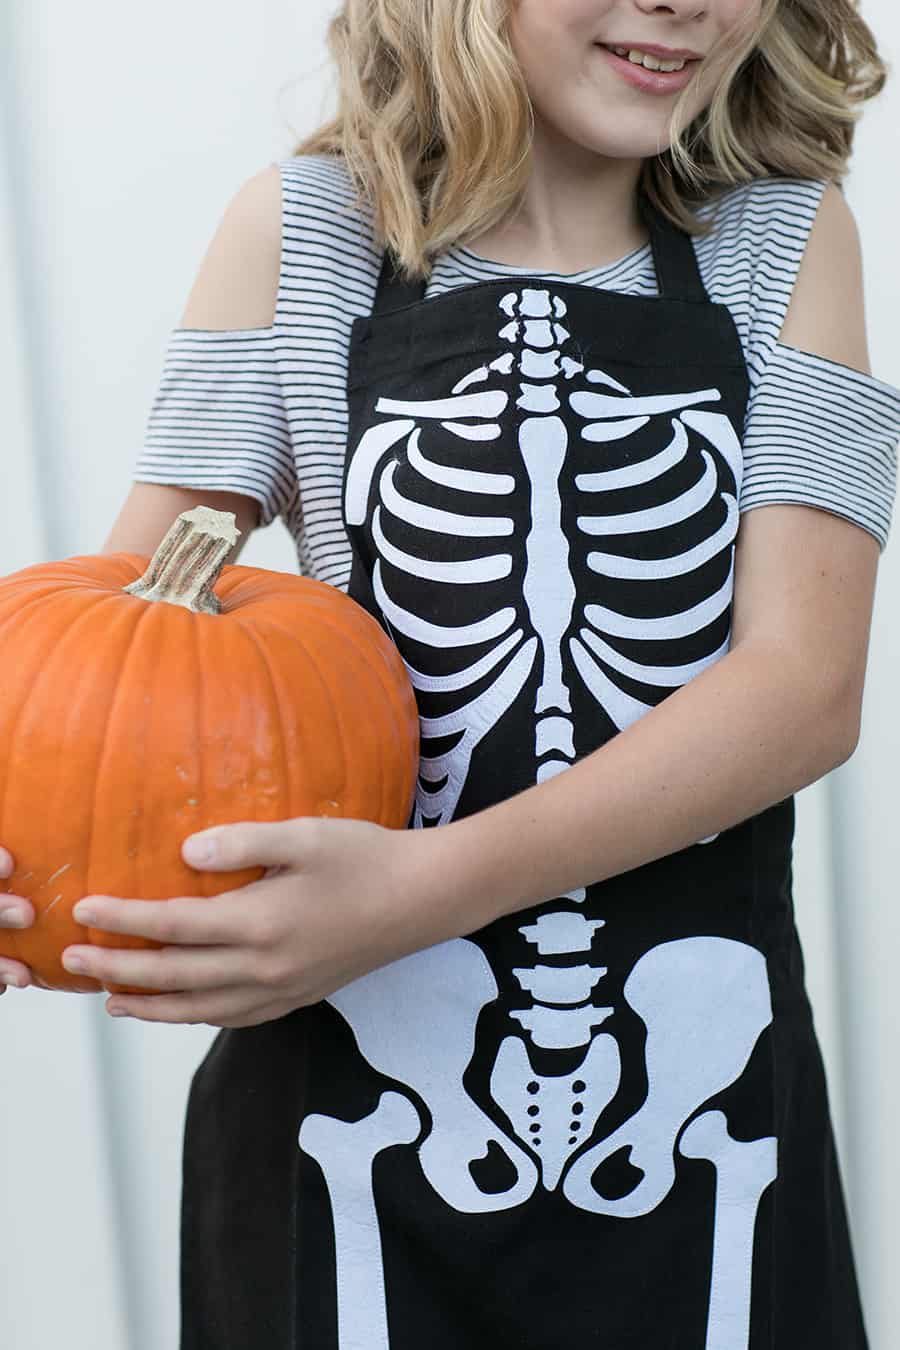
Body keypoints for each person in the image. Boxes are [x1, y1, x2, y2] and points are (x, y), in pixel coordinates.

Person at [2, 0, 900, 1345]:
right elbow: (103, 645)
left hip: (699, 1118)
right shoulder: (301, 234)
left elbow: (803, 688)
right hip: (343, 1119)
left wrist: (413, 895)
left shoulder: (786, 235)